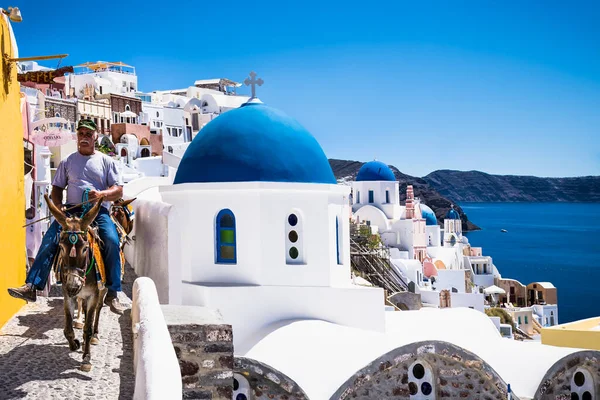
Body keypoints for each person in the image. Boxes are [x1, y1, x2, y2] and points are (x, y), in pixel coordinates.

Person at [8, 119, 126, 315]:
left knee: (112, 240)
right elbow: (57, 189)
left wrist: (101, 195)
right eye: (81, 134)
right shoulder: (68, 162)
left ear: (95, 136)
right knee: (50, 238)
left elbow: (119, 191)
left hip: (97, 212)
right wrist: (59, 209)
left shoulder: (106, 161)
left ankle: (113, 293)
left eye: (88, 134)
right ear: (77, 136)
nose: (84, 138)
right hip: (71, 213)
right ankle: (32, 286)